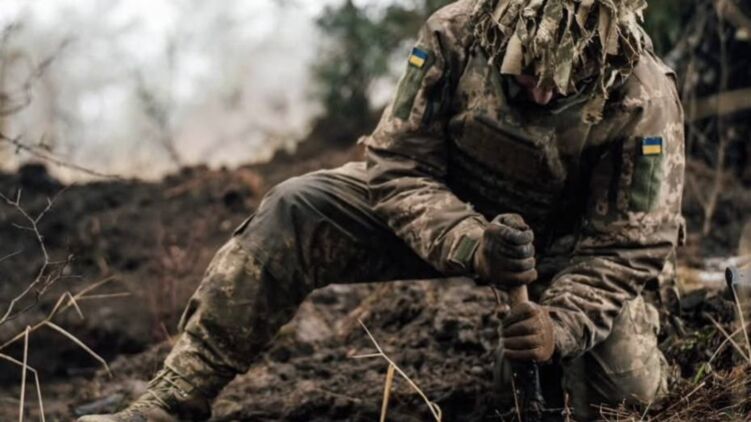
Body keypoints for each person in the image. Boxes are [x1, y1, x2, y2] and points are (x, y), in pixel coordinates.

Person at [79, 0, 685, 420]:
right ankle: (172, 399)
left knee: (622, 397)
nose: (544, 92)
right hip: (449, 209)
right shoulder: (456, 35)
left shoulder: (642, 97)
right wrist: (471, 242)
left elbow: (628, 245)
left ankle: (541, 357)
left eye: (564, 83)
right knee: (296, 207)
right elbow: (397, 164)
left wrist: (560, 326)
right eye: (527, 76)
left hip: (568, 255)